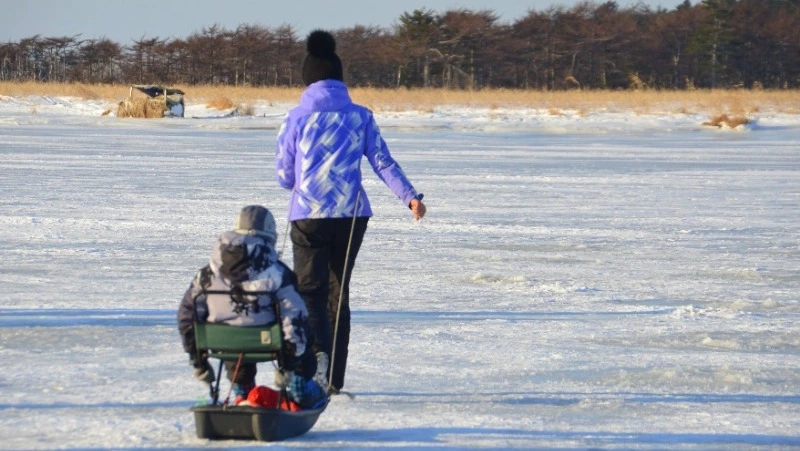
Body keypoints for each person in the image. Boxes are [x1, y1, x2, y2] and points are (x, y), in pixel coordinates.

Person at [275, 30, 427, 395]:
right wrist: (410, 197)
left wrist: (307, 177)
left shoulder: (296, 119)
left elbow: (284, 176)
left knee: (309, 293)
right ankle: (335, 380)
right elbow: (381, 161)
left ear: (307, 79)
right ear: (339, 79)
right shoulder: (360, 116)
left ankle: (315, 366)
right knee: (337, 294)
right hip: (351, 216)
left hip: (308, 215)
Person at [177, 205, 326, 408]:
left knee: (232, 328)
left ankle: (242, 392)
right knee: (306, 330)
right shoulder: (278, 273)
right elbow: (295, 318)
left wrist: (198, 361)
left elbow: (187, 315)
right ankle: (300, 389)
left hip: (225, 345)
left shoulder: (207, 274)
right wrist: (289, 365)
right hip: (270, 343)